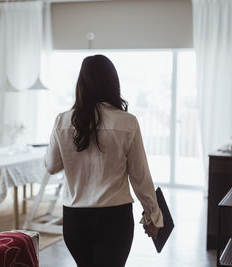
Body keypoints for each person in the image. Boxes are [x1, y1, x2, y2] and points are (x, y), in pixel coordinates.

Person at [45, 54, 163, 267]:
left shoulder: (62, 121)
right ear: (113, 83)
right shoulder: (127, 122)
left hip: (75, 219)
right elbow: (140, 176)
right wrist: (153, 214)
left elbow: (52, 166)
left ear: (80, 84)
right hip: (114, 218)